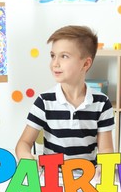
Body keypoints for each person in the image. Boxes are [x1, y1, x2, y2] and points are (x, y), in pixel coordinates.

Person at [15, 25, 115, 175]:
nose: (55, 63)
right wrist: (26, 157)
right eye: (53, 55)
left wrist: (105, 167)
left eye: (64, 56)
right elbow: (23, 143)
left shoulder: (102, 103)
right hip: (52, 179)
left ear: (86, 64)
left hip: (86, 179)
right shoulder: (44, 101)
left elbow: (106, 148)